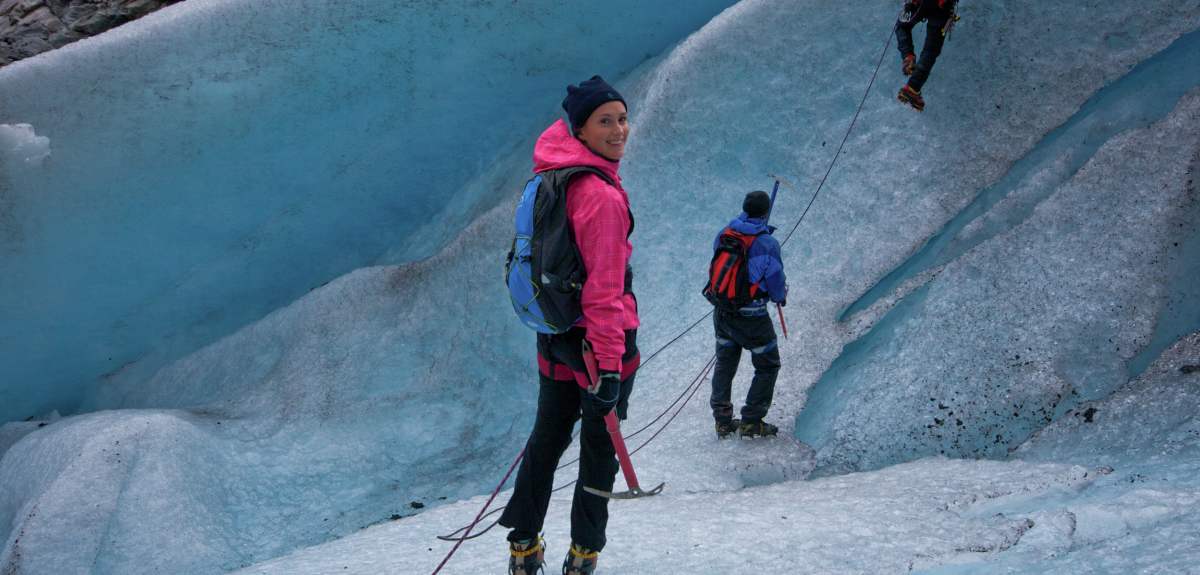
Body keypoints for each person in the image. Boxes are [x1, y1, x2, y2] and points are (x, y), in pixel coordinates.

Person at [499, 75, 640, 575]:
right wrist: (607, 364)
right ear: (579, 129)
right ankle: (583, 555)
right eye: (605, 121)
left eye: (622, 118)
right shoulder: (599, 195)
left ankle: (522, 548)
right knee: (599, 448)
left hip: (555, 335)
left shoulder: (551, 175)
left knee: (546, 439)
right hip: (600, 346)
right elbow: (604, 291)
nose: (619, 129)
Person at [709, 191, 787, 439]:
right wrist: (779, 296)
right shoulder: (767, 244)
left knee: (725, 363)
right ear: (765, 213)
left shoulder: (725, 233)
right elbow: (774, 280)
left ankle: (722, 421)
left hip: (722, 311)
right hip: (752, 318)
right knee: (767, 364)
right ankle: (752, 421)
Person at [895, 0, 959, 111]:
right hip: (942, 7)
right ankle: (913, 87)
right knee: (931, 50)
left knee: (902, 27)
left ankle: (908, 57)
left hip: (922, 4)